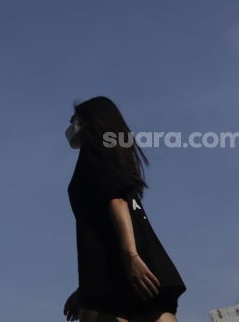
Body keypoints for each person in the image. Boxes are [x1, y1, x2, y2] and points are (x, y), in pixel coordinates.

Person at [62, 96, 186, 322]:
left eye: (74, 118)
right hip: (147, 272)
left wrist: (130, 257)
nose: (69, 123)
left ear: (90, 121)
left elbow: (116, 202)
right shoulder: (117, 160)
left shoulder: (92, 151)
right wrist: (84, 288)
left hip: (117, 275)